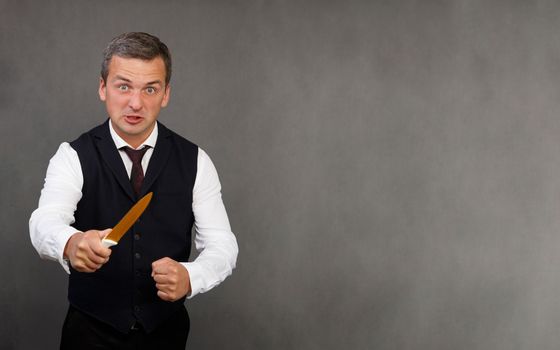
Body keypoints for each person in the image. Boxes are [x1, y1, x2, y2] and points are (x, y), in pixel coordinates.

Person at [29, 32, 238, 349]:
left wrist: (191, 276)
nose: (136, 103)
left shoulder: (196, 161)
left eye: (150, 89)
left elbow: (223, 245)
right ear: (103, 88)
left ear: (166, 94)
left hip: (166, 335)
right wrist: (71, 243)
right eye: (123, 86)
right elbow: (44, 221)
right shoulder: (72, 156)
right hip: (88, 334)